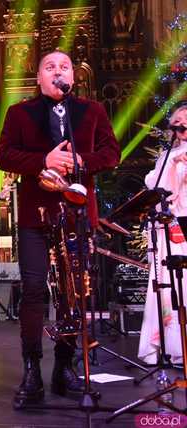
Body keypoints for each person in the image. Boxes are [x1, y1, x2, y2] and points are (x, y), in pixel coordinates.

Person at [0, 50, 120, 408]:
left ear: (73, 77)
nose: (57, 72)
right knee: (34, 291)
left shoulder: (92, 111)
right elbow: (4, 156)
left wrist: (82, 161)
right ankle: (31, 369)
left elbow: (112, 153)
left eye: (63, 67)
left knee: (74, 293)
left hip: (78, 215)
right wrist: (42, 162)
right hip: (37, 216)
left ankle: (64, 366)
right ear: (38, 78)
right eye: (49, 67)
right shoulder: (19, 113)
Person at [138, 104, 187, 365]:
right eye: (177, 120)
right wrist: (173, 165)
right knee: (168, 287)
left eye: (185, 120)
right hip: (170, 229)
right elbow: (159, 191)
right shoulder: (166, 156)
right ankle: (173, 347)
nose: (181, 124)